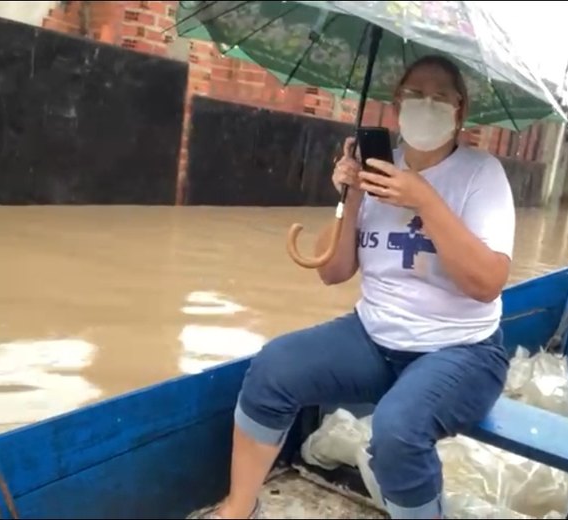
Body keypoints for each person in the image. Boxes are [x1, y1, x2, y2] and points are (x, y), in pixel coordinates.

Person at [192, 54, 516, 520]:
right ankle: (239, 507)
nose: (426, 104)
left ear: (459, 111)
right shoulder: (379, 168)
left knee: (398, 430)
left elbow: (487, 284)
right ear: (396, 103)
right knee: (274, 367)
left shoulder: (481, 175)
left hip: (461, 350)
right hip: (375, 336)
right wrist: (353, 191)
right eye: (415, 93)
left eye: (440, 96)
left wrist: (423, 198)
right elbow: (334, 270)